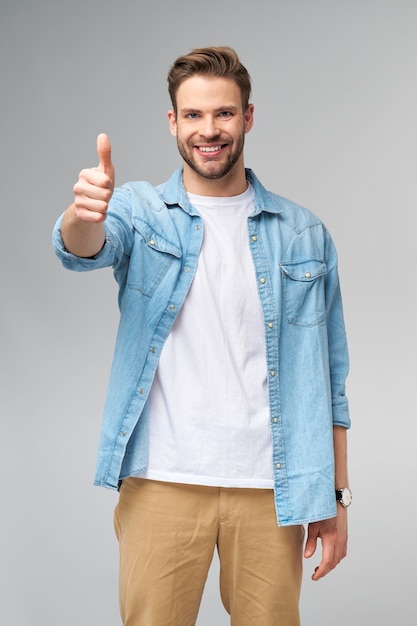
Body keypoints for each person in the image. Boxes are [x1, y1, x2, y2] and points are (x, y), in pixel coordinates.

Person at [53, 46, 351, 626]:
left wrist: (334, 500)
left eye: (223, 114)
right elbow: (84, 249)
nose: (208, 130)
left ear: (248, 117)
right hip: (164, 479)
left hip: (273, 489)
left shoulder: (304, 234)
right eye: (192, 115)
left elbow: (331, 384)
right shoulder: (139, 210)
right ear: (173, 122)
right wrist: (81, 215)